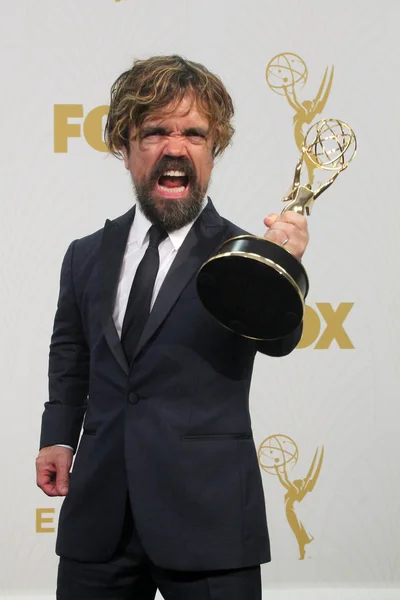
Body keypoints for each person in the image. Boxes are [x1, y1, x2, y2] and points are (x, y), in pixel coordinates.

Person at [36, 55, 309, 600]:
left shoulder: (243, 255)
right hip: (100, 516)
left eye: (194, 133)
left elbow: (279, 341)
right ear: (124, 145)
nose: (176, 146)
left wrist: (282, 269)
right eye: (156, 130)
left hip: (208, 517)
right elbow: (71, 352)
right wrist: (59, 436)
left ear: (214, 150)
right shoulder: (85, 255)